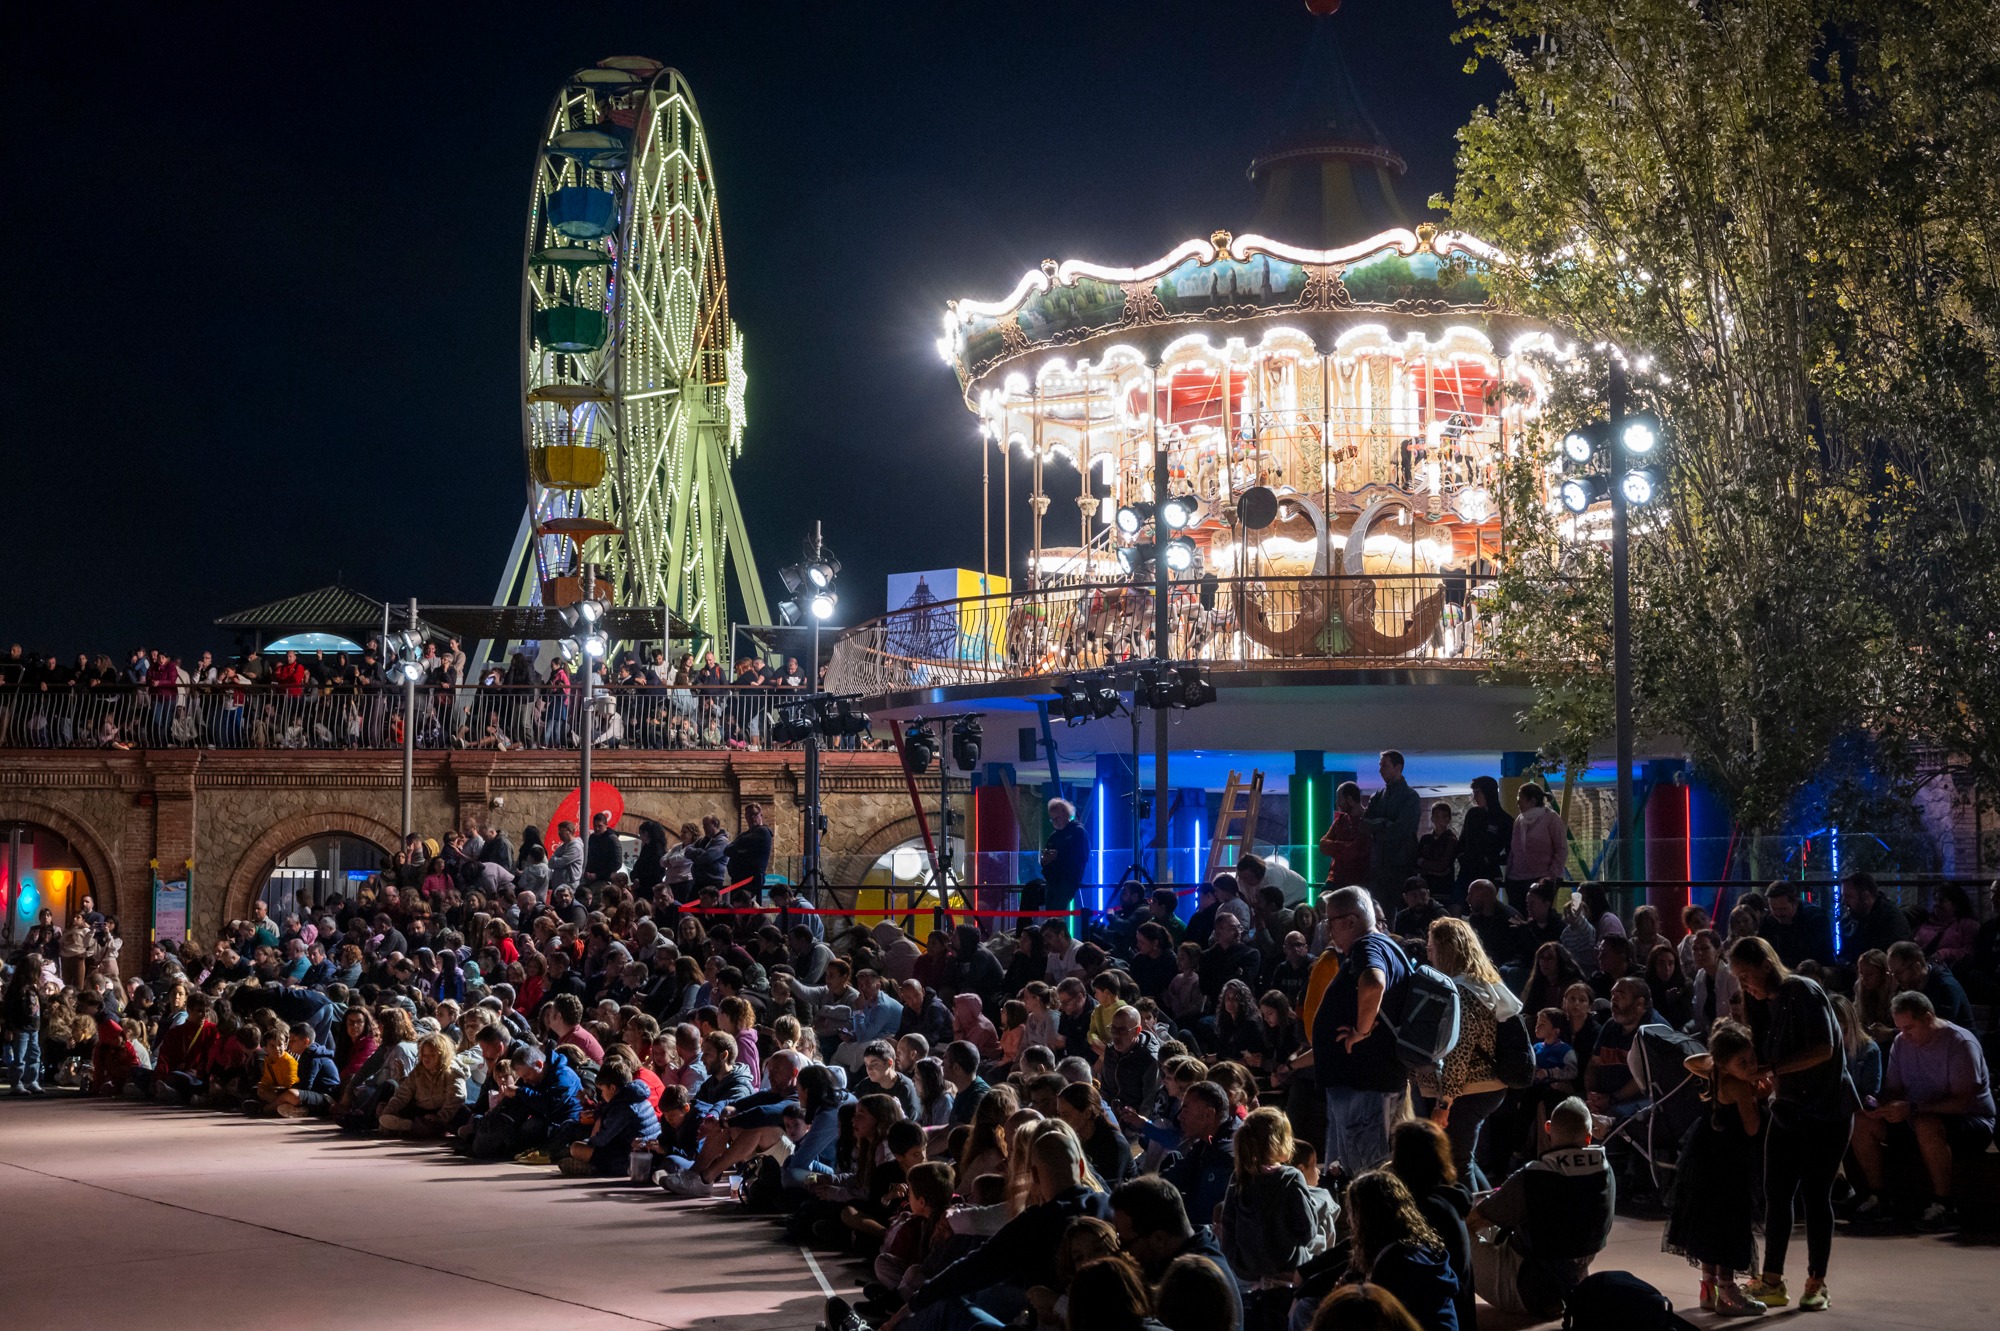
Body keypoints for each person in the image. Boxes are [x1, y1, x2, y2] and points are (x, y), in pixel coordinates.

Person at [1729, 935, 1856, 1313]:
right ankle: (1772, 1280)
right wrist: (1767, 1078)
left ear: (1767, 964)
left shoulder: (1803, 990)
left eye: (1747, 974)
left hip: (1826, 1111)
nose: (1745, 984)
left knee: (1815, 1196)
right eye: (1739, 977)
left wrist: (1774, 1069)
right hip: (1788, 1109)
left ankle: (1817, 1282)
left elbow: (1823, 1049)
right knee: (1777, 1193)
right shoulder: (1765, 1005)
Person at [1848, 990, 1994, 1232]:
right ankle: (1879, 1196)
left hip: (1969, 1120)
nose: (1903, 1034)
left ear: (1928, 1018)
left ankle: (1944, 1204)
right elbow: (1894, 1088)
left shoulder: (1960, 1043)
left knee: (1927, 1124)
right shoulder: (1901, 1043)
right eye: (1900, 1028)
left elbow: (1963, 1101)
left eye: (1909, 1027)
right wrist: (1879, 1105)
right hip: (1915, 1115)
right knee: (1863, 1122)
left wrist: (1913, 1108)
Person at [1466, 1096, 1613, 1317]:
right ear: (1588, 1137)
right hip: (1574, 1285)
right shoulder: (1605, 1170)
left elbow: (1475, 1219)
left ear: (1548, 1128)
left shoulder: (1534, 1175)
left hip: (1526, 1290)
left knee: (1454, 1228)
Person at [1663, 1020, 1768, 1315]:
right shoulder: (1739, 1086)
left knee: (1707, 1224)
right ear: (1724, 1062)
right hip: (1730, 1163)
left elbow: (1693, 1061)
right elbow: (1751, 1128)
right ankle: (1729, 1292)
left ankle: (1708, 1288)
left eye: (1753, 1059)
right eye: (1742, 1061)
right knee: (1729, 1224)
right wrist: (1758, 1098)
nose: (1751, 1066)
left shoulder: (1714, 1075)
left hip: (1705, 1157)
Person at [1312, 886, 1410, 1175]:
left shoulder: (1368, 947)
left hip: (1365, 1088)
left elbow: (1373, 983)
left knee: (1370, 1177)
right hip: (1366, 1086)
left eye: (1332, 921)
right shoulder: (1386, 946)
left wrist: (1360, 1031)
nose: (1328, 930)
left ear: (1352, 921)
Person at [1342, 1170, 1460, 1331]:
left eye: (1351, 1212)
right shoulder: (1420, 1249)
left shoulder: (1393, 1267)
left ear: (1366, 1216)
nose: (1349, 1220)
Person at [1218, 1106, 1317, 1287]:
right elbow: (1308, 1231)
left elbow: (1228, 1224)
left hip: (1245, 1272)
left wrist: (1238, 1261)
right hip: (1286, 1273)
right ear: (1278, 1142)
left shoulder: (1240, 1177)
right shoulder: (1291, 1178)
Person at [1361, 751, 1420, 907]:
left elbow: (1401, 830)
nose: (1381, 770)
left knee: (1400, 912)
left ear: (1398, 767)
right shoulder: (1378, 796)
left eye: (1385, 766)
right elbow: (1363, 824)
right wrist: (1384, 823)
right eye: (1381, 766)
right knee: (1378, 912)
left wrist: (1378, 826)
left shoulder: (1410, 797)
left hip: (1401, 867)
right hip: (1379, 867)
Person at [1502, 784, 1566, 912]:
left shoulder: (1551, 818)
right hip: (1517, 879)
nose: (1518, 802)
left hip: (1542, 878)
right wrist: (1508, 876)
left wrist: (1551, 876)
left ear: (1532, 801)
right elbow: (1515, 850)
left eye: (1520, 798)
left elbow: (1561, 848)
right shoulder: (1520, 821)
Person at [1885, 939, 1974, 1029]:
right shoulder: (1907, 985)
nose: (1895, 979)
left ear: (1916, 967)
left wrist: (1891, 1033)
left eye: (1898, 973)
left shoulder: (1945, 987)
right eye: (1892, 974)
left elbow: (1938, 1028)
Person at [1454, 776, 1511, 898]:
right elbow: (1462, 841)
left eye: (1477, 793)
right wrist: (1462, 857)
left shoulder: (1504, 820)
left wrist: (1491, 860)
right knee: (1456, 904)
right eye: (1473, 793)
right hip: (1468, 870)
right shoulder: (1472, 814)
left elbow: (1511, 852)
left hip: (1488, 872)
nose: (1475, 797)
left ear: (1488, 792)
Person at [1841, 872, 1910, 957]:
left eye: (1849, 896)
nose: (1844, 902)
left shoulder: (1891, 919)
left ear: (1865, 896)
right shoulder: (1849, 920)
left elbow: (1889, 959)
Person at [1318, 781, 1372, 891]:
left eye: (1339, 798)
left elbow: (1355, 850)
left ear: (1350, 799)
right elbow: (1322, 845)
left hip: (1358, 883)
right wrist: (1346, 846)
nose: (1337, 803)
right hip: (1335, 880)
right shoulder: (1340, 821)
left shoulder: (1368, 822)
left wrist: (1334, 847)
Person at [1041, 799, 1088, 918]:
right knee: (1030, 890)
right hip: (1052, 880)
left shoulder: (1078, 832)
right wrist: (1045, 861)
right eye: (1053, 819)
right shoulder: (1054, 836)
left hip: (1067, 880)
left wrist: (1058, 856)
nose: (1056, 822)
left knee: (1054, 912)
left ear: (1067, 815)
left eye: (1058, 818)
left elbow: (1081, 857)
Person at [1413, 804, 1458, 904]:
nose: (1440, 820)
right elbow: (1415, 861)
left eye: (1444, 816)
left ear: (1449, 819)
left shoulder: (1451, 840)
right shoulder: (1426, 839)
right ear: (1432, 818)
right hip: (1426, 885)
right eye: (1437, 816)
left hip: (1444, 886)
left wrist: (1424, 864)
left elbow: (1441, 866)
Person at [726, 803, 773, 895]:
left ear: (761, 815)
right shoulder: (744, 834)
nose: (752, 817)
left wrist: (738, 850)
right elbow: (727, 850)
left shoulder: (762, 831)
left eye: (755, 814)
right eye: (749, 814)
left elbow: (735, 847)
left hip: (750, 880)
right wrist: (740, 850)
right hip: (738, 879)